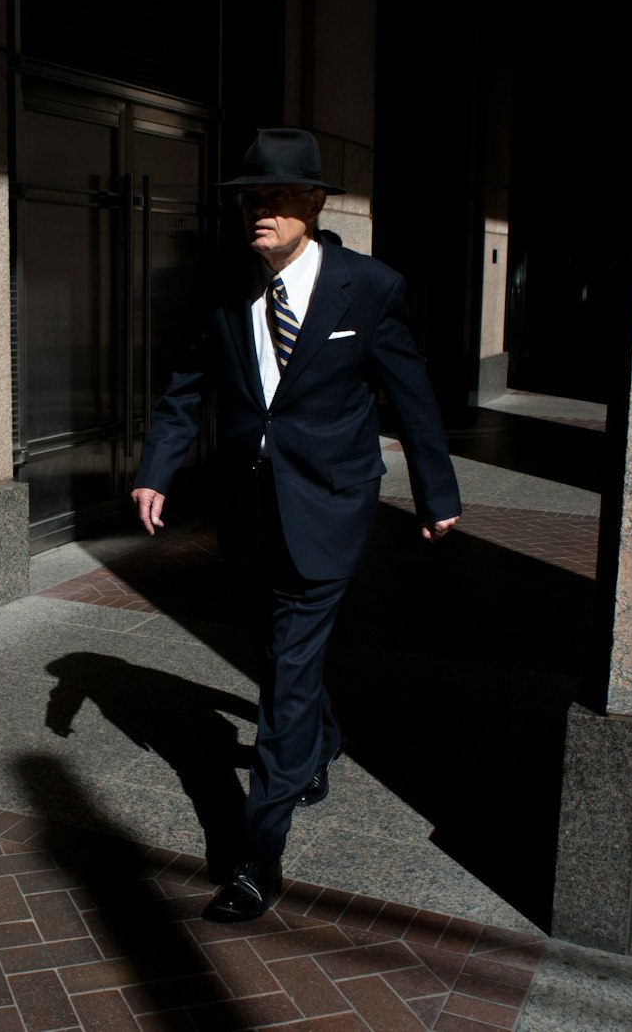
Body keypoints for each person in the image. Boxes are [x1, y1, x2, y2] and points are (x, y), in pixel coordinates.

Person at [130, 128, 461, 922]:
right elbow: (185, 391)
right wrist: (155, 470)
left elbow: (409, 395)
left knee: (284, 677)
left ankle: (257, 853)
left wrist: (435, 489)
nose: (258, 211)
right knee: (279, 652)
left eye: (275, 197)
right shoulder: (222, 288)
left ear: (314, 203)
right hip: (247, 514)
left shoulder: (369, 288)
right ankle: (318, 738)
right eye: (250, 198)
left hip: (331, 505)